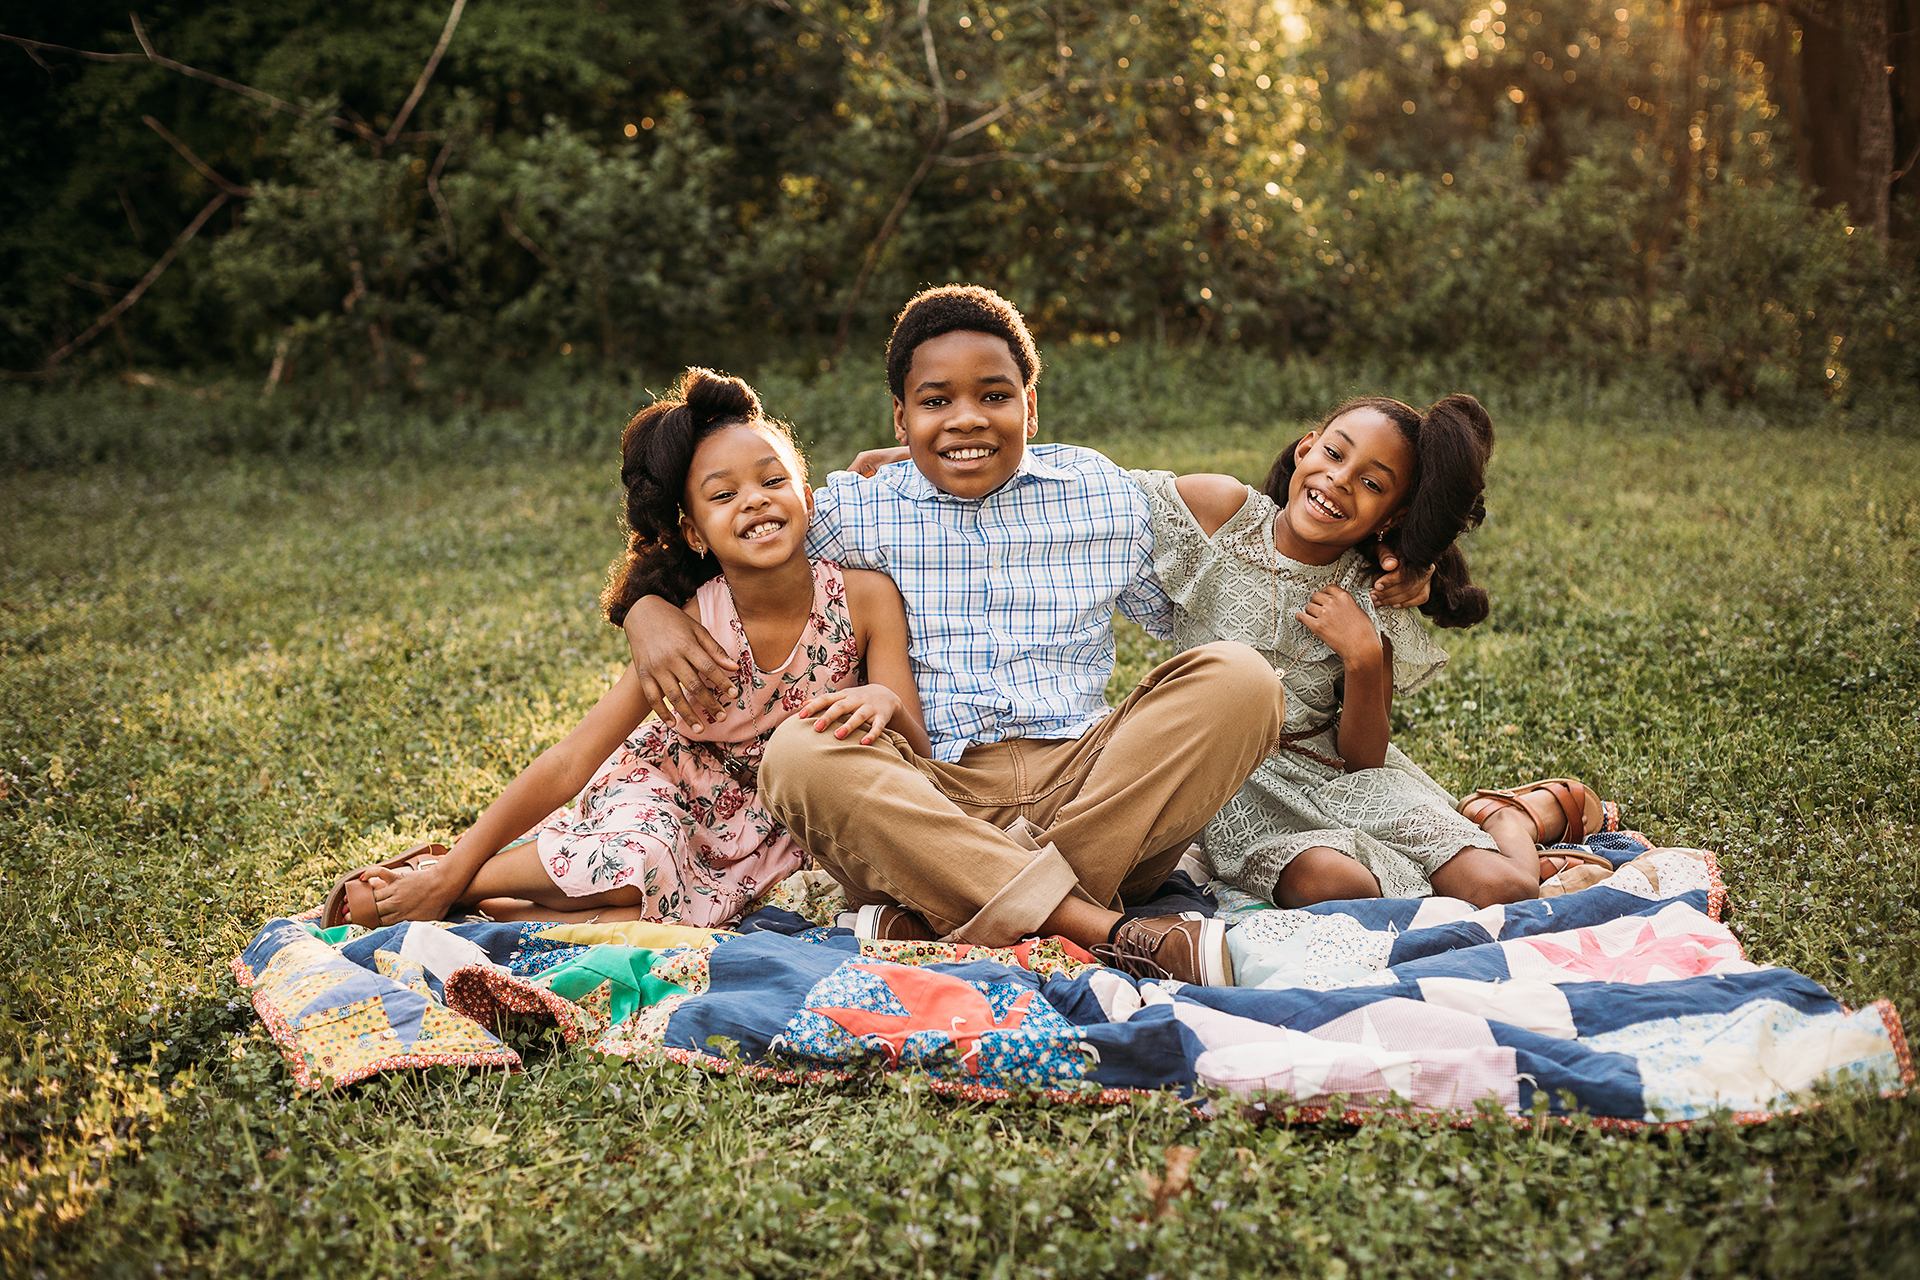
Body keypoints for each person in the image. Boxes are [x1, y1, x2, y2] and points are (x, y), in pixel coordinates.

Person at [620, 285, 1356, 986]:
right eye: (936, 402)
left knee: (1242, 678)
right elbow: (717, 544)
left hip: (1092, 792)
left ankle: (948, 911)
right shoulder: (851, 511)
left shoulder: (1100, 494)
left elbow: (1260, 545)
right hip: (926, 795)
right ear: (901, 421)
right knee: (800, 754)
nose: (966, 418)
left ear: (1031, 408)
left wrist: (1400, 562)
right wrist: (642, 611)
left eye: (994, 396)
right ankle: (1097, 931)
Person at [321, 368, 929, 930]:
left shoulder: (864, 599)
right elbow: (571, 758)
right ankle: (450, 878)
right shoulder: (695, 624)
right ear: (693, 532)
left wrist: (881, 698)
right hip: (666, 795)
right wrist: (458, 860)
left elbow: (918, 752)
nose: (755, 500)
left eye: (774, 481)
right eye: (723, 496)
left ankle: (466, 903)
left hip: (771, 830)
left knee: (665, 928)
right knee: (646, 856)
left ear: (808, 495)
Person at [1133, 394, 1610, 909]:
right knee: (1332, 885)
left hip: (1337, 775)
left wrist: (1363, 656)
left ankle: (1504, 816)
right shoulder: (1222, 515)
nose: (1340, 480)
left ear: (1393, 515)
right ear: (1306, 448)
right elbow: (1100, 496)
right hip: (1231, 786)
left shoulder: (1371, 593)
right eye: (1336, 455)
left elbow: (1364, 758)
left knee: (1507, 888)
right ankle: (1422, 864)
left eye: (1372, 483)